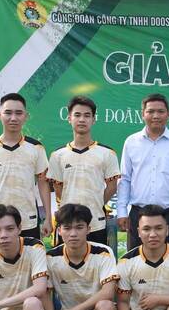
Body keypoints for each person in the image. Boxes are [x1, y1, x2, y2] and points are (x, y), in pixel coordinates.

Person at [0, 93, 52, 248]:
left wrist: (48, 217)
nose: (13, 118)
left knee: (29, 261)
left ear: (26, 116)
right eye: (8, 113)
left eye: (18, 113)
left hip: (28, 220)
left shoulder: (36, 148)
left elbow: (43, 183)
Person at [117, 93, 169, 250]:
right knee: (135, 260)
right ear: (142, 114)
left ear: (168, 114)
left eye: (160, 111)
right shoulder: (131, 142)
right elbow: (125, 179)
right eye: (150, 111)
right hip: (138, 215)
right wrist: (122, 211)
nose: (156, 116)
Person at [48, 96, 121, 246]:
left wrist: (95, 202)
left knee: (96, 260)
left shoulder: (107, 153)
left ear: (93, 120)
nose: (82, 119)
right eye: (77, 115)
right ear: (69, 118)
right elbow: (58, 189)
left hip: (96, 223)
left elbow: (112, 187)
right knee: (66, 261)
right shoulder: (57, 155)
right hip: (68, 224)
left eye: (87, 115)